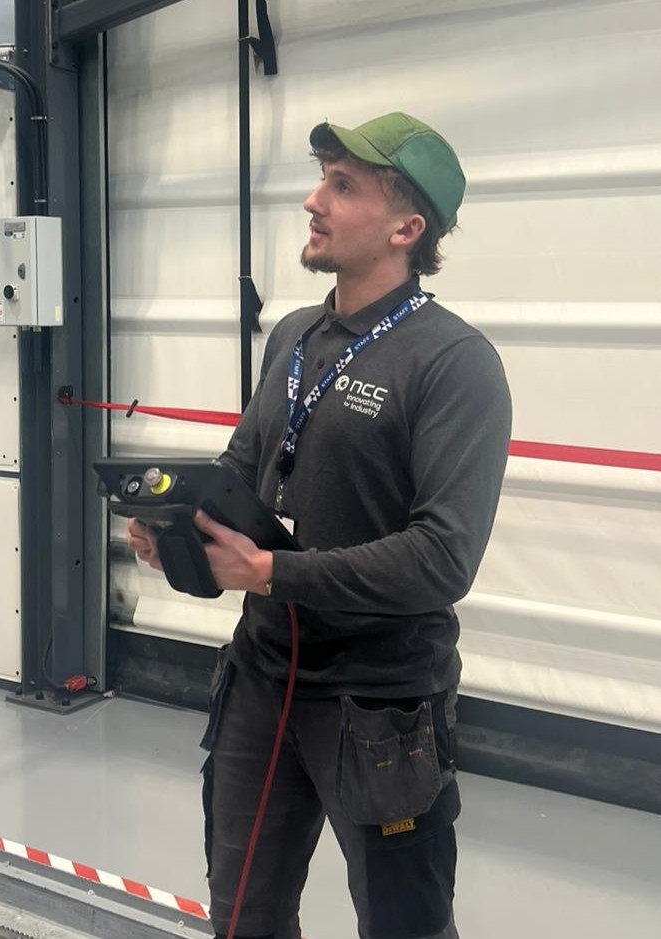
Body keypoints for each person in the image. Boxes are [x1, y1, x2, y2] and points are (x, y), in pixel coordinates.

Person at [128, 112, 512, 939]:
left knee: (402, 925)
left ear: (407, 227)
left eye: (343, 186)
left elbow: (443, 557)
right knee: (243, 914)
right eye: (321, 178)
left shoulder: (454, 364)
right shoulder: (295, 337)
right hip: (262, 679)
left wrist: (272, 572)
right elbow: (243, 466)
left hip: (379, 706)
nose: (313, 200)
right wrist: (179, 525)